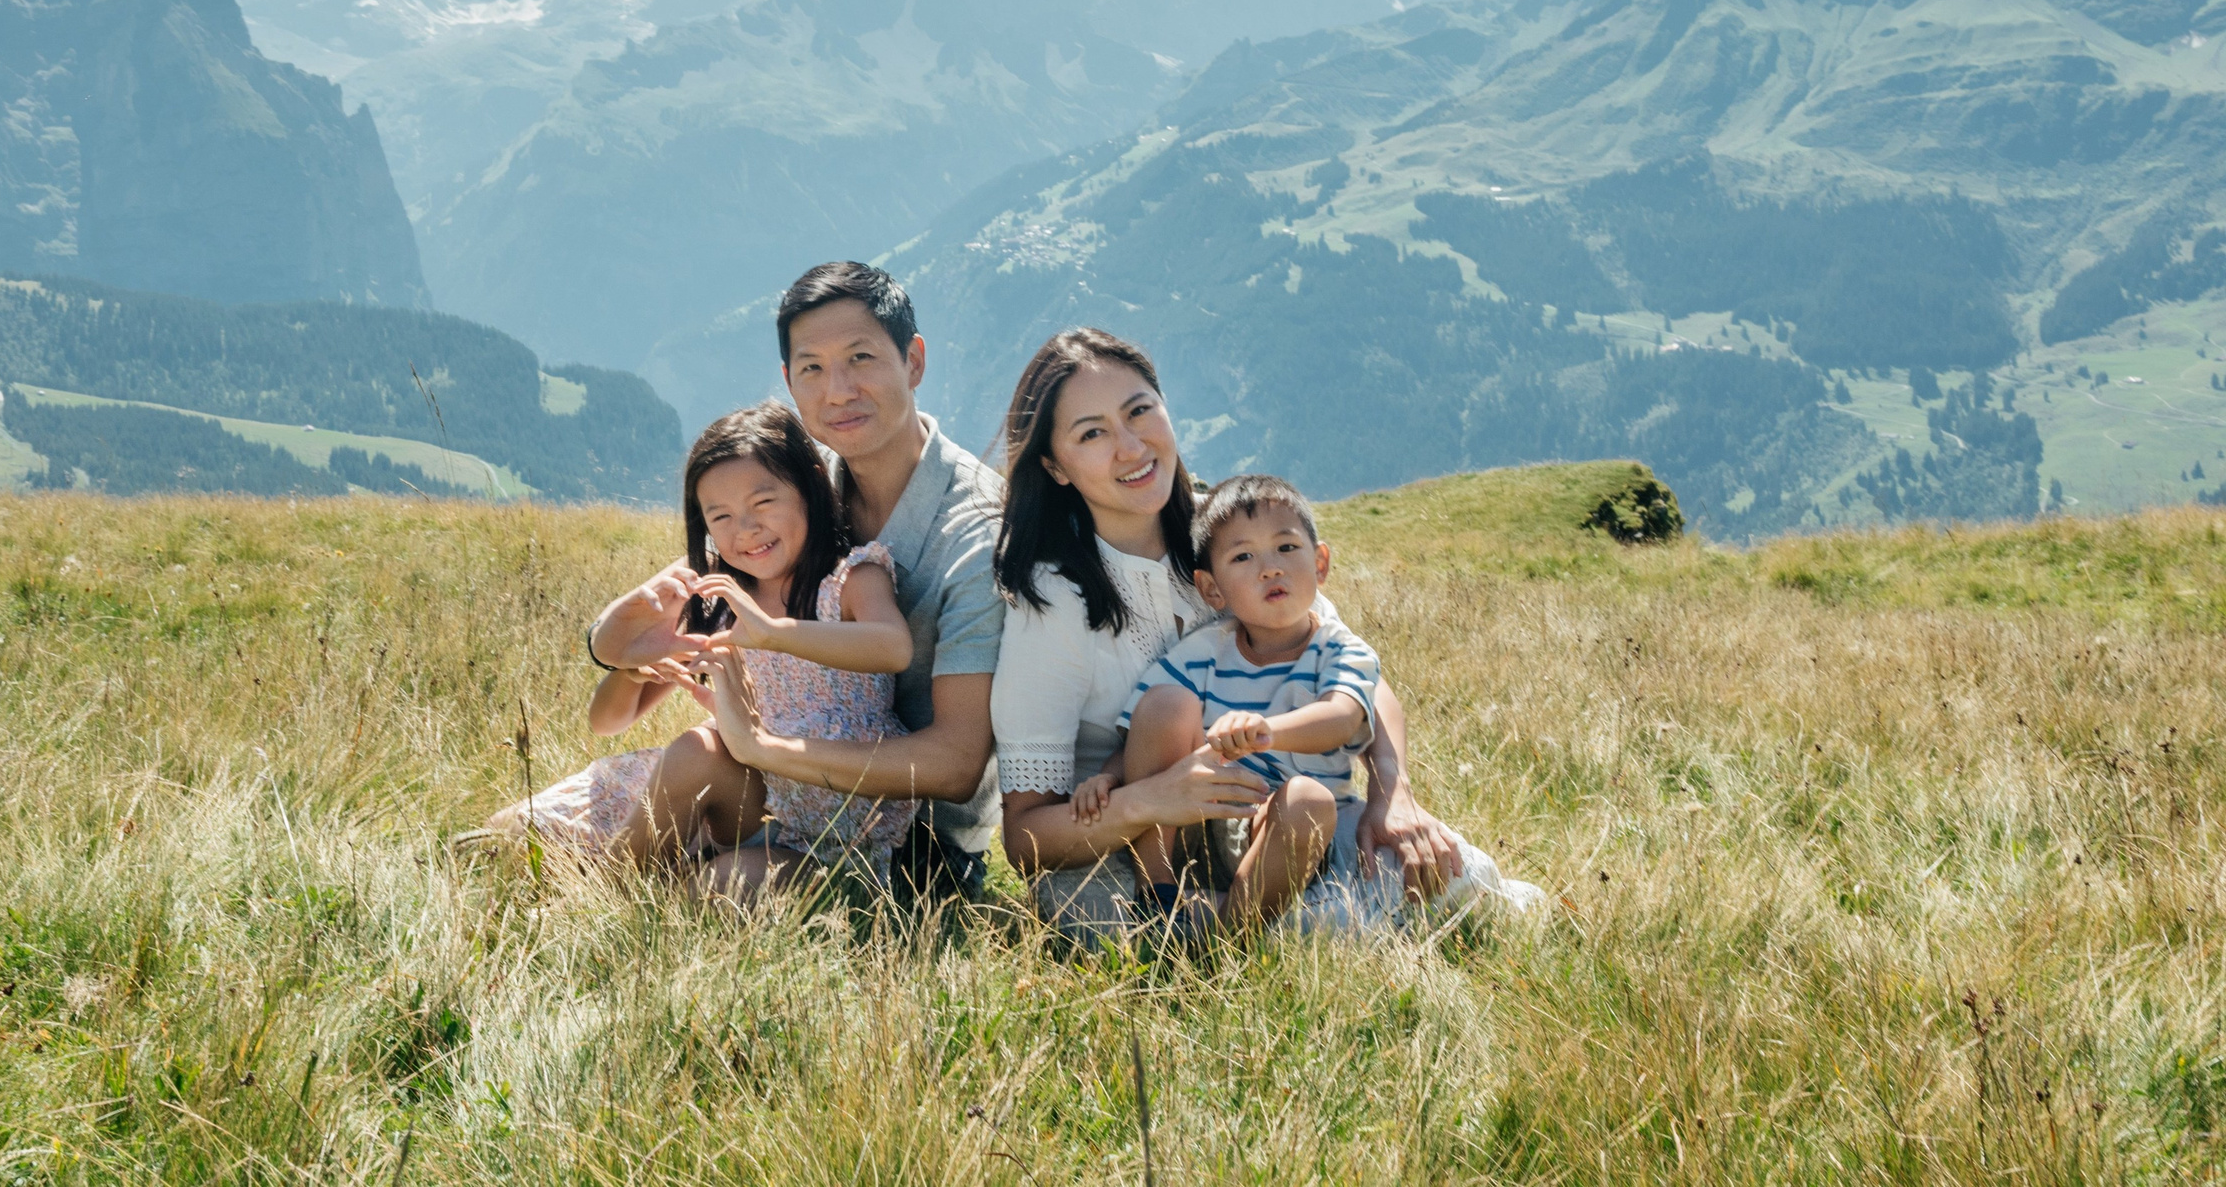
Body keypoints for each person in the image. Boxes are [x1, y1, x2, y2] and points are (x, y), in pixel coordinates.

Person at [988, 328, 1502, 944]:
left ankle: (1263, 923)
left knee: (1457, 880)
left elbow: (1351, 666)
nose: (1130, 446)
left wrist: (1395, 794)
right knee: (1120, 937)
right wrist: (1150, 800)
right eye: (1092, 433)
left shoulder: (1230, 532)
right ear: (1055, 466)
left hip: (1276, 817)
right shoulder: (1053, 601)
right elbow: (1024, 840)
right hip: (1126, 846)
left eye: (1139, 411)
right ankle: (1259, 928)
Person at [586, 262, 1005, 908]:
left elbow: (954, 766)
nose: (838, 390)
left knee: (718, 885)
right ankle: (597, 903)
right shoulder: (795, 489)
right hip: (779, 793)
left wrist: (768, 747)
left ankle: (685, 875)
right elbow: (675, 629)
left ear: (913, 361)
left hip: (912, 843)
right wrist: (609, 645)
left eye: (861, 357)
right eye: (811, 367)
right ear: (788, 381)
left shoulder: (976, 532)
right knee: (604, 799)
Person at [481, 403, 917, 894]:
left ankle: (604, 900)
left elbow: (893, 646)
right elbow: (606, 722)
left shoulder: (851, 577)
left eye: (764, 502)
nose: (745, 529)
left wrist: (773, 631)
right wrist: (634, 671)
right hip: (744, 800)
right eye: (721, 516)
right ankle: (620, 879)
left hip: (838, 827)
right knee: (499, 842)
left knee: (712, 888)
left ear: (811, 486)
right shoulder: (722, 592)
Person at [1106, 474, 1534, 933]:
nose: (1270, 568)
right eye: (1243, 556)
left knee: (1446, 866)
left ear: (1321, 561)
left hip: (1316, 830)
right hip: (1224, 819)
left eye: (1286, 548)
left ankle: (1225, 927)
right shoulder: (1203, 652)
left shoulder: (1342, 650)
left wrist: (1267, 731)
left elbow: (1342, 715)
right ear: (1213, 590)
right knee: (1165, 702)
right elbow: (1150, 727)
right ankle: (1158, 896)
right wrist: (1109, 779)